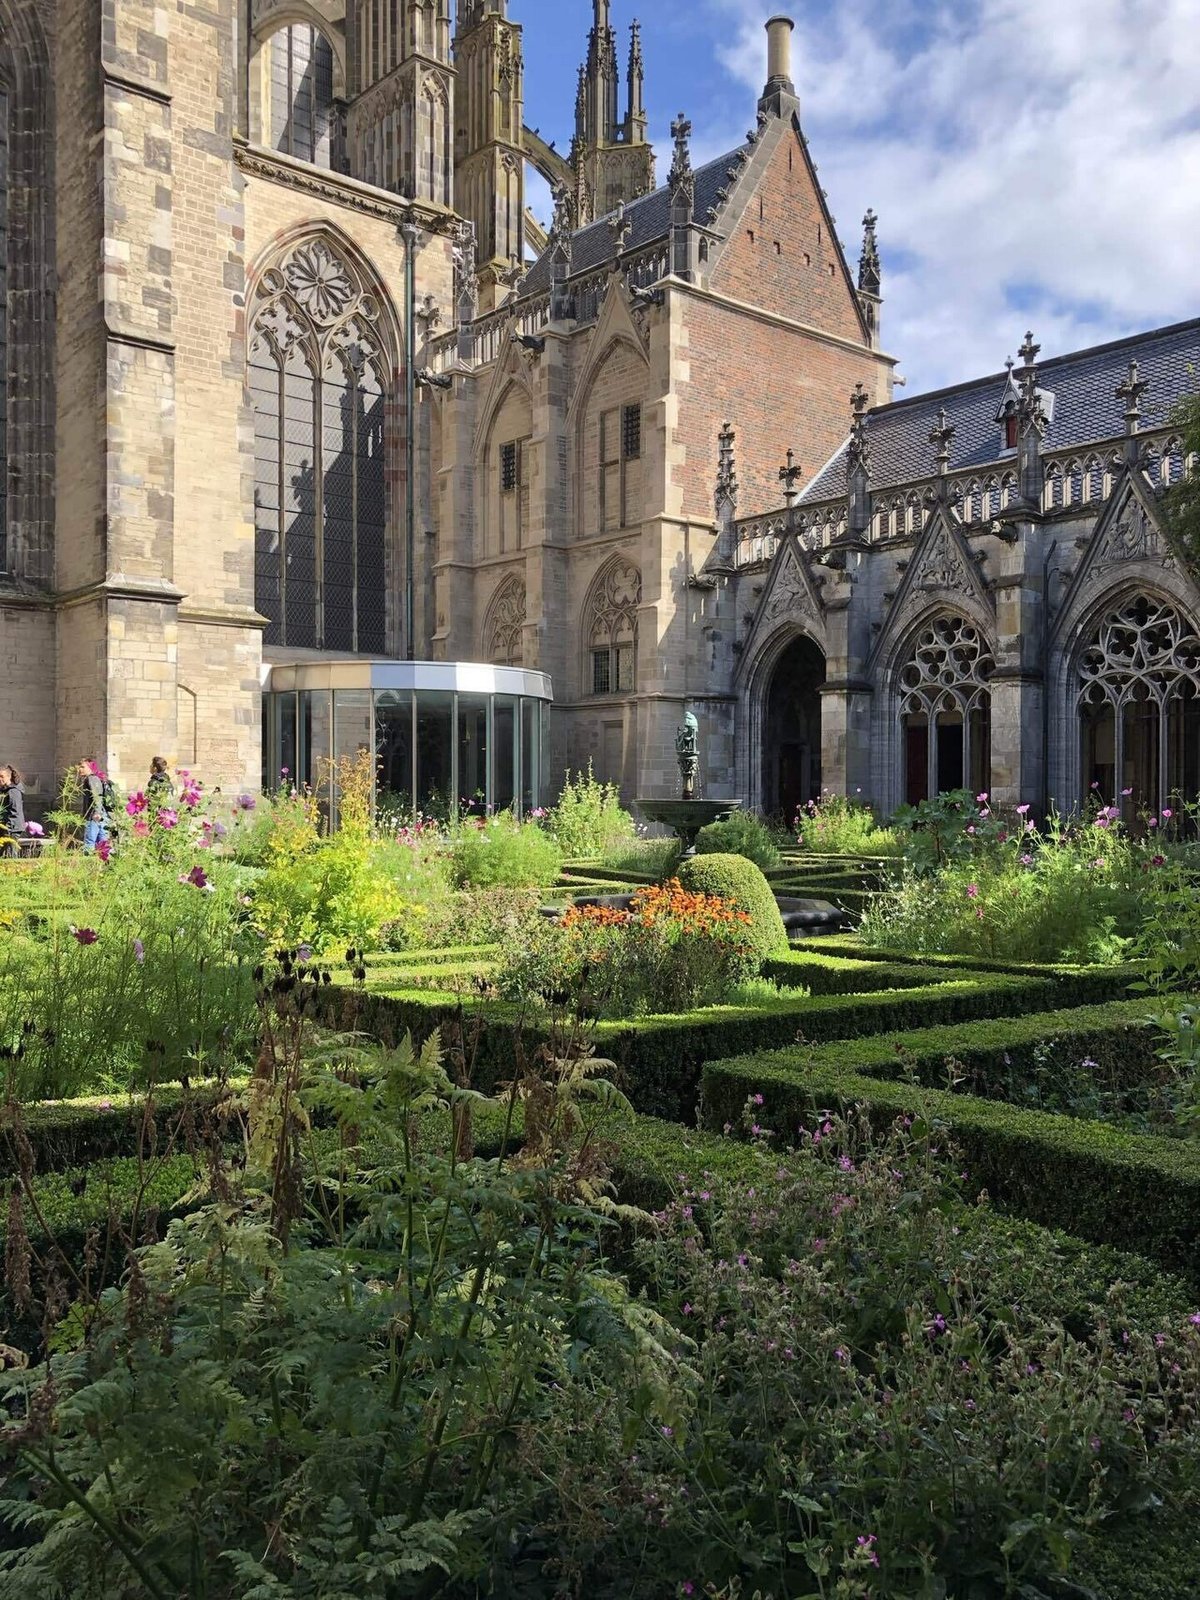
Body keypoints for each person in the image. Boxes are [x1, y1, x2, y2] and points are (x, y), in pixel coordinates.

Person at [78, 760, 109, 853]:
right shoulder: (94, 779)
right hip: (100, 813)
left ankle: (88, 860)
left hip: (94, 815)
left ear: (90, 768)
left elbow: (97, 796)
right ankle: (107, 859)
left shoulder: (91, 779)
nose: (80, 769)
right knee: (103, 841)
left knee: (89, 841)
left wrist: (97, 812)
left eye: (83, 767)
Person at [0, 765, 27, 841]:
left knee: (9, 848)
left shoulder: (13, 791)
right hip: (7, 827)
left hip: (12, 829)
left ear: (9, 777)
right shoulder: (5, 791)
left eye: (2, 776)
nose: (0, 779)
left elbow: (15, 811)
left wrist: (7, 828)